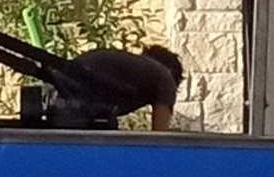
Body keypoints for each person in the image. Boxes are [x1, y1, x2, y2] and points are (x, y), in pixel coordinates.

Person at [47, 43, 183, 131]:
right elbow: (160, 137)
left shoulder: (133, 67)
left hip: (63, 89)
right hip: (81, 98)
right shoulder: (165, 78)